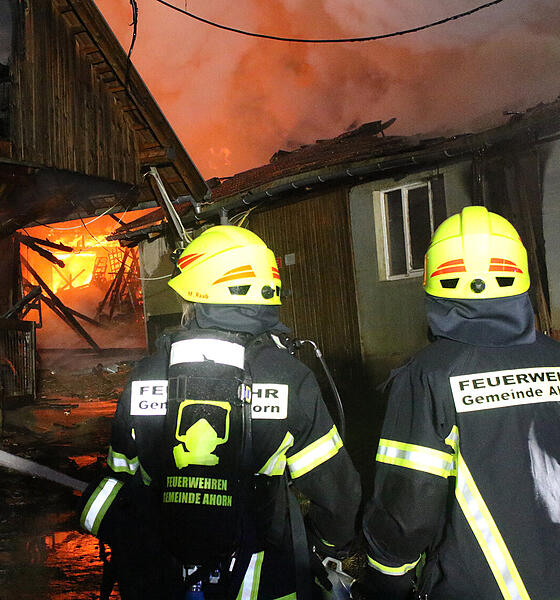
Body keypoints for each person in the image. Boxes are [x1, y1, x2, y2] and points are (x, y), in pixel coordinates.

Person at [79, 225, 361, 599]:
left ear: (194, 298)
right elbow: (337, 495)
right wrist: (325, 548)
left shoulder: (146, 375)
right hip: (262, 582)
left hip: (160, 580)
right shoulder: (289, 378)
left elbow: (120, 480)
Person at [359, 206, 560, 599]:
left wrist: (386, 577)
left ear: (435, 279)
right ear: (520, 275)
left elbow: (409, 505)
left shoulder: (428, 375)